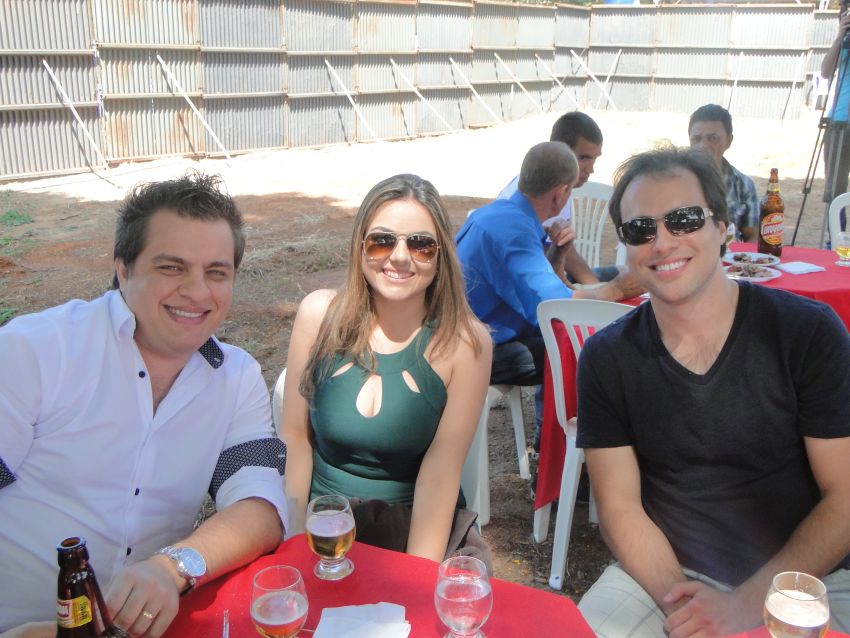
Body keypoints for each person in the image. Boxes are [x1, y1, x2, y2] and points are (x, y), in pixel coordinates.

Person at [576, 146, 850, 637]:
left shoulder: (806, 333)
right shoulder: (607, 357)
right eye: (640, 229)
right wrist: (690, 610)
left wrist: (745, 605)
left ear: (722, 226)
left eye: (683, 220)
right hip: (666, 577)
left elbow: (845, 496)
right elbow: (620, 510)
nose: (662, 243)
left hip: (809, 577)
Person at [0, 173, 288, 638]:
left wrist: (174, 566)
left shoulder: (236, 377)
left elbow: (260, 508)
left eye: (216, 272)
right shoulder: (36, 352)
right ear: (123, 269)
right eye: (172, 268)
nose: (198, 291)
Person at [281, 174, 492, 566]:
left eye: (421, 244)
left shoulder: (466, 343)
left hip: (413, 532)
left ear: (441, 255)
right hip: (324, 525)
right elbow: (295, 437)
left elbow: (441, 472)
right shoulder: (317, 314)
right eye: (381, 241)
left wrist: (414, 578)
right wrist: (294, 540)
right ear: (359, 246)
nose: (399, 257)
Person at [456, 141, 640, 391]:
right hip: (474, 351)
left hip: (470, 333)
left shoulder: (499, 213)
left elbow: (541, 288)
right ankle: (565, 416)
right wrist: (618, 289)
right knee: (592, 345)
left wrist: (558, 253)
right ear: (561, 193)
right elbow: (557, 307)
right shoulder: (514, 231)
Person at [497, 111, 615, 283]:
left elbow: (559, 253)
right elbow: (542, 275)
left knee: (622, 274)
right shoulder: (540, 194)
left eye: (594, 159)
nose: (591, 169)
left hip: (543, 277)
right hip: (524, 284)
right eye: (583, 158)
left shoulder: (559, 183)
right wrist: (597, 289)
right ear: (562, 152)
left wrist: (594, 287)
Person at [688, 103, 759, 242]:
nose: (703, 145)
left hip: (731, 253)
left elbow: (752, 236)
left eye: (713, 138)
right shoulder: (672, 183)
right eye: (696, 139)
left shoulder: (743, 185)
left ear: (729, 141)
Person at [821, 4, 850, 231]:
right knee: (835, 191)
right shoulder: (843, 43)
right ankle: (835, 239)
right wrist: (840, 37)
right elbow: (825, 71)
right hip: (839, 121)